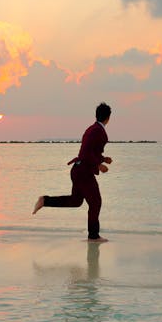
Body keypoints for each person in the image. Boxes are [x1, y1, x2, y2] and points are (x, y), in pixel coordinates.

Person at [33, 102, 113, 241]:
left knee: (76, 201)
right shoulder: (98, 131)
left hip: (78, 170)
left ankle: (45, 201)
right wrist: (99, 165)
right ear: (108, 118)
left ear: (97, 115)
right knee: (96, 202)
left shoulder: (92, 129)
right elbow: (87, 152)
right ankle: (93, 236)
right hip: (83, 172)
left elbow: (89, 151)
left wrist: (103, 159)